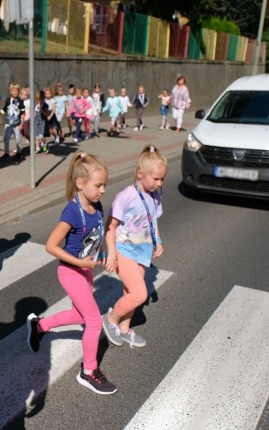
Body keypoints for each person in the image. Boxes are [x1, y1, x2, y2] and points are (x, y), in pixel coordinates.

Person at [26, 152, 116, 395]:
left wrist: (106, 255)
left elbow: (97, 235)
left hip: (85, 271)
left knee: (79, 315)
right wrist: (79, 261)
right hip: (70, 272)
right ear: (80, 183)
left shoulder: (96, 206)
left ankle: (39, 326)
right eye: (98, 185)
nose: (103, 190)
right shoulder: (72, 212)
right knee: (95, 321)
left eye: (104, 185)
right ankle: (88, 371)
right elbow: (51, 245)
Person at [102, 145, 167, 349]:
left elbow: (152, 220)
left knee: (129, 292)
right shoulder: (125, 196)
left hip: (142, 251)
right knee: (139, 294)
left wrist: (158, 241)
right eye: (155, 179)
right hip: (123, 250)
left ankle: (124, 328)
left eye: (162, 179)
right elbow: (110, 227)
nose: (159, 183)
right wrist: (112, 253)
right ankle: (111, 319)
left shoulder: (155, 195)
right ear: (140, 174)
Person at [0, 83, 25, 161]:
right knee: (6, 138)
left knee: (18, 139)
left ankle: (19, 153)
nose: (15, 93)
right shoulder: (8, 100)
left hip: (17, 124)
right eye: (13, 91)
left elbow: (23, 113)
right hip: (8, 123)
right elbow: (4, 109)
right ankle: (6, 153)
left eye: (16, 91)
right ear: (10, 92)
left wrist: (21, 124)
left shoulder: (20, 101)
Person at [34, 90, 49, 154]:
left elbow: (46, 114)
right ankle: (37, 147)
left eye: (39, 99)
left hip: (43, 122)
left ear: (42, 99)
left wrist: (41, 110)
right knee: (36, 136)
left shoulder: (45, 105)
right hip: (36, 121)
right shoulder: (35, 104)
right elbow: (34, 112)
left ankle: (45, 144)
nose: (38, 101)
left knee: (41, 136)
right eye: (37, 99)